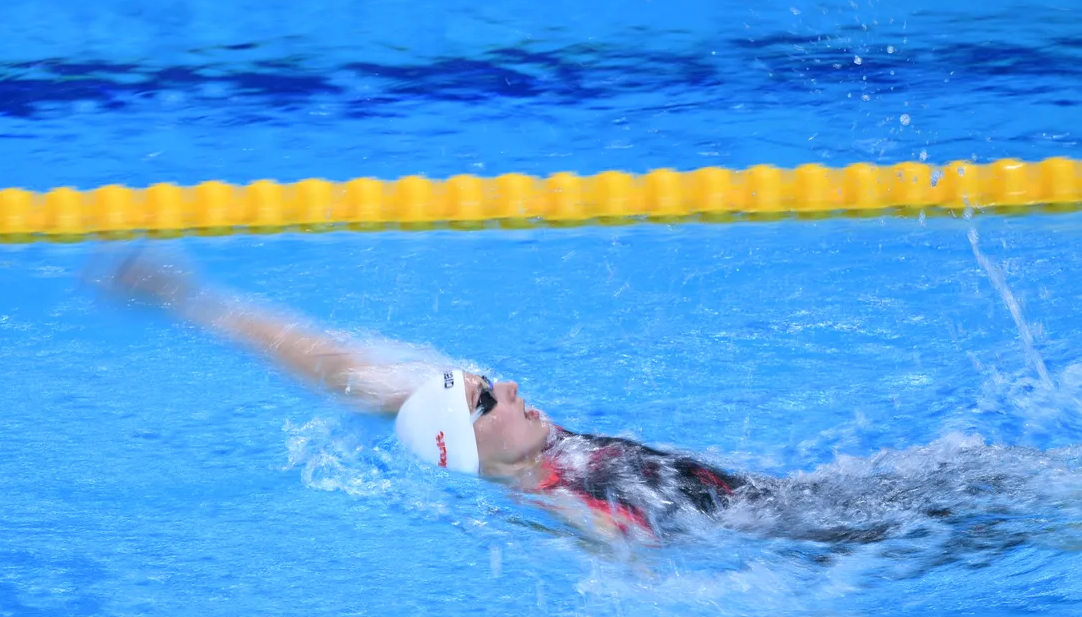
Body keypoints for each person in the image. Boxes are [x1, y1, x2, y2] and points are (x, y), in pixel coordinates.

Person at [92, 245, 770, 545]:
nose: (508, 387)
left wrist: (194, 302)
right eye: (485, 402)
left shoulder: (532, 447)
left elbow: (333, 364)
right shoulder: (550, 495)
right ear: (469, 451)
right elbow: (630, 558)